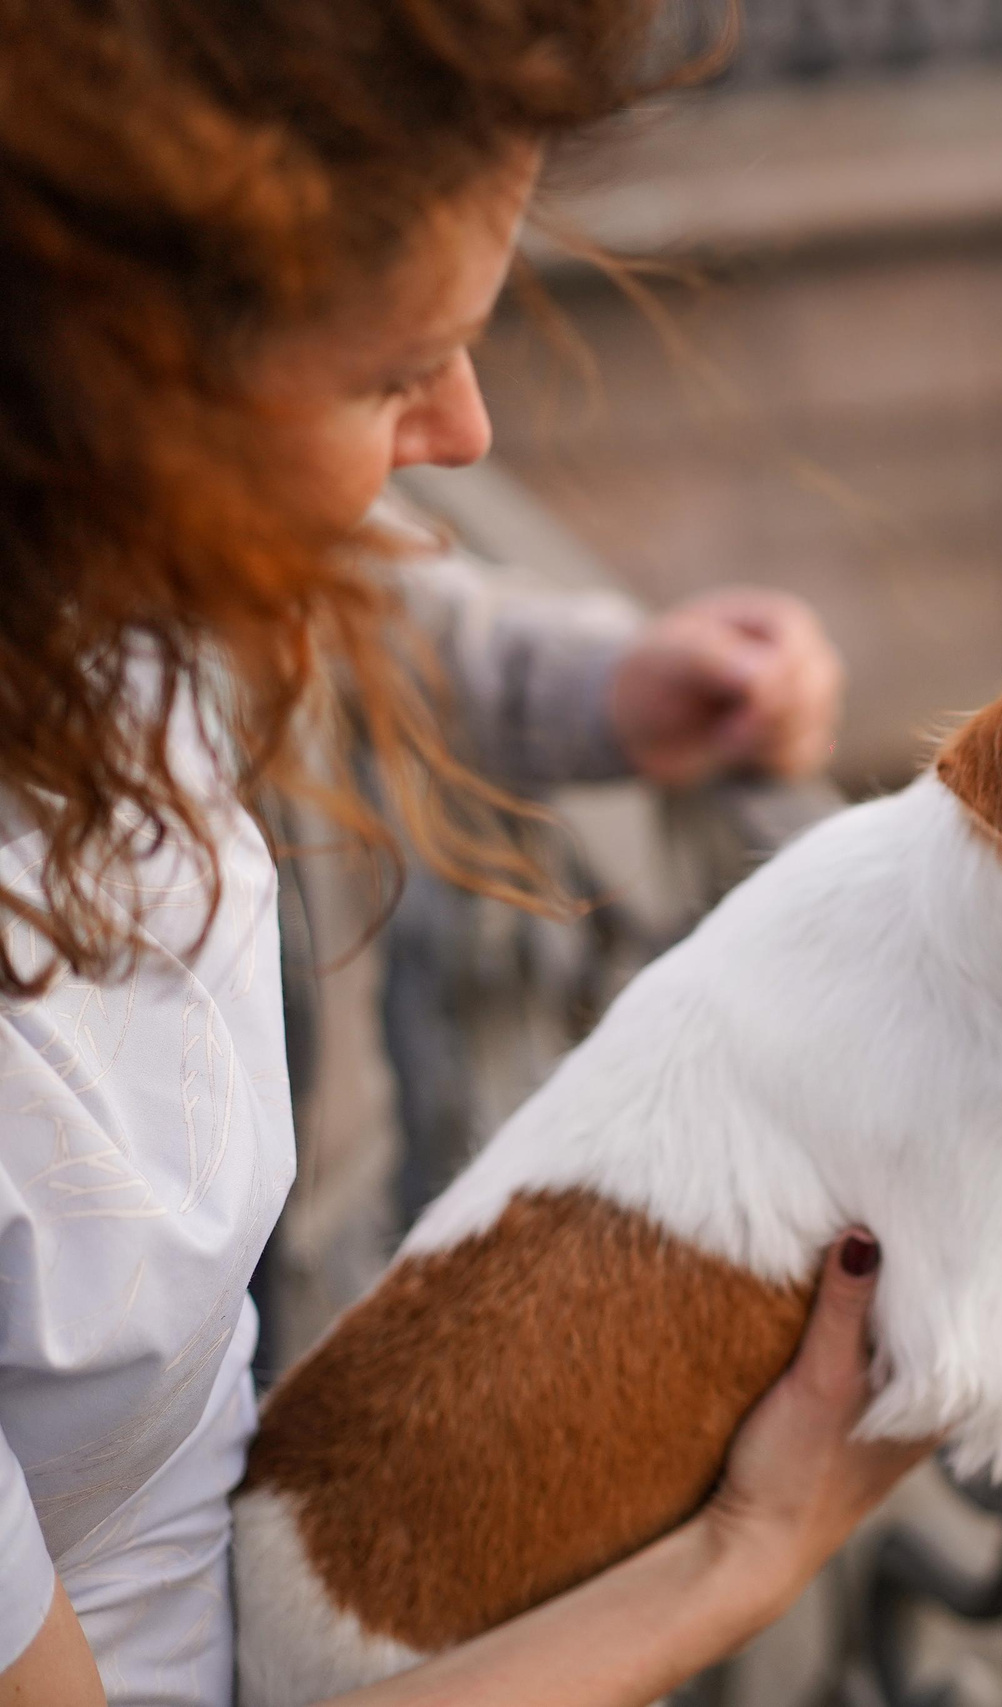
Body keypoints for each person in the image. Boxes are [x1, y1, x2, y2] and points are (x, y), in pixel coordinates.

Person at [0, 3, 932, 1702]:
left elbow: (290, 576)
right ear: (105, 392)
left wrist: (590, 684)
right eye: (388, 370)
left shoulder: (87, 585)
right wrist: (746, 1551)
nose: (470, 432)